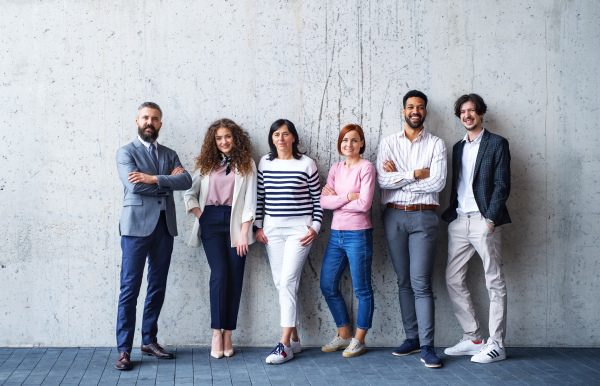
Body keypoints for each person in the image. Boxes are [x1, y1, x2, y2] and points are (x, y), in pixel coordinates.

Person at [115, 102, 192, 370]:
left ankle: (149, 340)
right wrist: (164, 182)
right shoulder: (126, 152)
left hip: (164, 227)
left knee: (157, 286)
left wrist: (152, 179)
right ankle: (124, 349)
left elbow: (186, 182)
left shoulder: (170, 153)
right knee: (130, 289)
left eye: (155, 118)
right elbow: (134, 186)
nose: (150, 122)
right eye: (145, 117)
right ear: (137, 121)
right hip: (135, 227)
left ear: (160, 124)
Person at [376, 90, 447, 368]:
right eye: (410, 107)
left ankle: (428, 346)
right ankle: (412, 338)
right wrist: (416, 173)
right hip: (393, 217)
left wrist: (400, 177)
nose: (415, 111)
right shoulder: (388, 142)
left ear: (425, 111)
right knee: (403, 280)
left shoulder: (437, 144)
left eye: (419, 107)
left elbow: (438, 183)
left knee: (421, 282)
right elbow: (383, 180)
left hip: (424, 218)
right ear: (403, 111)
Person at [442, 94, 511, 363]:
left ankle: (497, 344)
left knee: (494, 281)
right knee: (452, 278)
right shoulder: (458, 147)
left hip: (484, 220)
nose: (467, 115)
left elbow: (502, 185)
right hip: (459, 220)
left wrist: (491, 220)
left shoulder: (497, 144)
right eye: (463, 111)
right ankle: (473, 337)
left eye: (472, 110)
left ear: (481, 113)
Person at [183, 119, 257, 359]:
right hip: (211, 221)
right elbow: (189, 193)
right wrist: (201, 216)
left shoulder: (247, 164)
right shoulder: (206, 164)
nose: (223, 141)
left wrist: (245, 232)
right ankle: (217, 332)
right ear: (213, 142)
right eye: (218, 138)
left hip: (237, 224)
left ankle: (229, 333)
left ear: (235, 138)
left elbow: (251, 200)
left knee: (235, 277)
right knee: (219, 274)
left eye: (227, 136)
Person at [254, 119, 323, 365]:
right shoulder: (264, 162)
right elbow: (259, 197)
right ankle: (294, 340)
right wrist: (258, 226)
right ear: (272, 139)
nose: (281, 139)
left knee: (287, 281)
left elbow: (318, 200)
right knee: (280, 282)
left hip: (299, 231)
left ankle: (283, 345)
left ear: (293, 137)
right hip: (272, 231)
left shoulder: (306, 164)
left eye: (285, 134)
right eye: (276, 135)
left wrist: (315, 227)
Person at [319, 124, 376, 358]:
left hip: (358, 235)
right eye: (344, 140)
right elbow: (324, 203)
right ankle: (344, 334)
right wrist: (349, 196)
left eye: (354, 140)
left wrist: (338, 200)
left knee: (362, 289)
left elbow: (364, 205)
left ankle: (359, 339)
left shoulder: (367, 168)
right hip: (336, 235)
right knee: (327, 284)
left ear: (361, 143)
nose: (348, 145)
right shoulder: (335, 168)